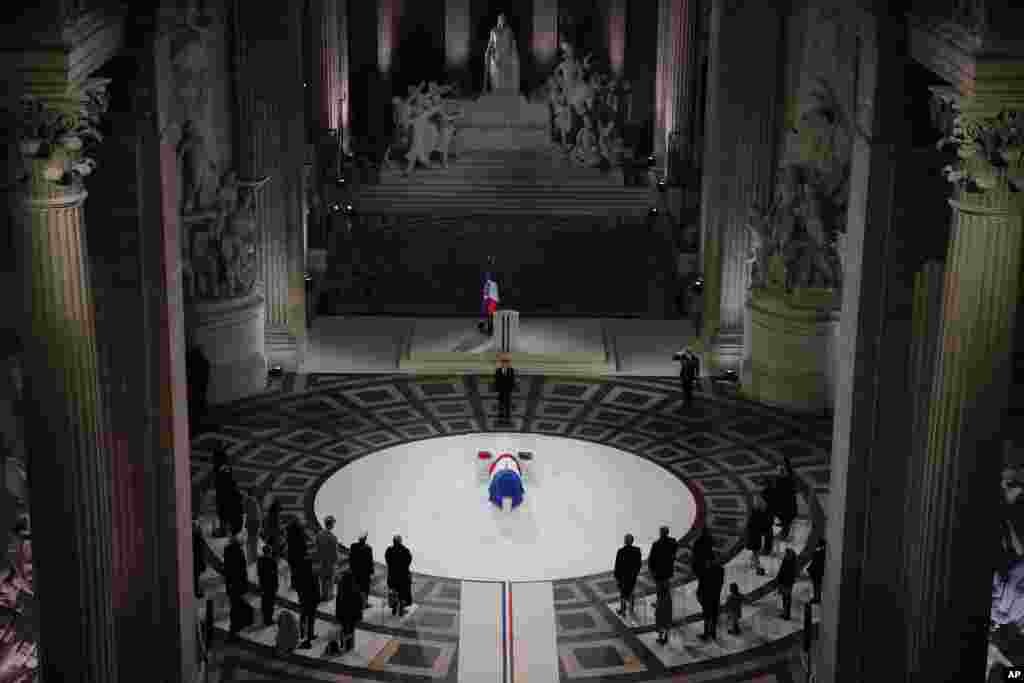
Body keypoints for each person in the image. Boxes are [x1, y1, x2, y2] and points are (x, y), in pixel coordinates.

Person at [648, 526, 679, 644]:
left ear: (661, 533)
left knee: (660, 589)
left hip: (659, 574)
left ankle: (660, 602)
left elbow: (651, 560)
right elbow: (674, 550)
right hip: (667, 573)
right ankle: (661, 601)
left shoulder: (656, 544)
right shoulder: (672, 542)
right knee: (665, 589)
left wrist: (652, 571)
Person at [484, 14, 520, 94]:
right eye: (500, 19)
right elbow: (490, 43)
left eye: (503, 19)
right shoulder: (493, 31)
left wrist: (514, 55)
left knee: (505, 79)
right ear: (498, 20)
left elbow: (513, 43)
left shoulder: (509, 31)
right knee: (496, 78)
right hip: (496, 56)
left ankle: (506, 94)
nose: (502, 21)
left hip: (507, 57)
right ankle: (496, 94)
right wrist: (487, 51)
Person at [224, 533, 251, 636]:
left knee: (234, 605)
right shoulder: (239, 552)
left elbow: (227, 569)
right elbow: (242, 570)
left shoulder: (227, 551)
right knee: (237, 606)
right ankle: (235, 628)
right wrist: (245, 585)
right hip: (238, 584)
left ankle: (235, 626)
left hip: (231, 583)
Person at [214, 450, 243, 537]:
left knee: (224, 473)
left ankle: (221, 455)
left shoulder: (235, 523)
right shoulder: (234, 522)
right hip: (226, 495)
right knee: (222, 473)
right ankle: (220, 455)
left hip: (227, 494)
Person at [335, 570, 364, 652]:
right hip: (352, 615)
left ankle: (343, 644)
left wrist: (337, 614)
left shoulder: (341, 589)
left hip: (343, 614)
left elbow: (338, 602)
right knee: (351, 630)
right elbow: (359, 603)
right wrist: (360, 615)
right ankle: (350, 646)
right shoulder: (356, 588)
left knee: (343, 629)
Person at [385, 535, 413, 616]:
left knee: (393, 591)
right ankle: (401, 609)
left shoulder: (389, 550)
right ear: (400, 542)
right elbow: (408, 561)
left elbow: (387, 560)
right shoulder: (405, 550)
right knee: (403, 593)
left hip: (392, 576)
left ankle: (394, 607)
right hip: (403, 577)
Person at [614, 534, 642, 616]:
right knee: (631, 592)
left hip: (623, 577)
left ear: (625, 541)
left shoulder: (621, 551)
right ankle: (631, 609)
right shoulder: (637, 550)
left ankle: (623, 610)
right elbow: (638, 564)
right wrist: (635, 573)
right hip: (632, 576)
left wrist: (617, 577)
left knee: (622, 594)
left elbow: (617, 565)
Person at [697, 558, 725, 641]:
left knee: (707, 616)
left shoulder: (705, 572)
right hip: (715, 596)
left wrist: (699, 596)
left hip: (706, 597)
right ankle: (713, 633)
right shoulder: (720, 570)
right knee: (714, 615)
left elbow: (701, 586)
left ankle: (706, 634)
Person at [296, 558, 320, 648]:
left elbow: (298, 587)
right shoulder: (314, 575)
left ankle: (302, 633)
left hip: (303, 599)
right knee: (311, 619)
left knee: (303, 617)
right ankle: (310, 635)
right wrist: (318, 599)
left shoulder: (300, 574)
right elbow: (317, 589)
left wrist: (300, 597)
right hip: (312, 600)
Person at [746, 493, 772, 575]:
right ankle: (756, 565)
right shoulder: (762, 511)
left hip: (754, 534)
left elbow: (751, 523)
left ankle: (756, 564)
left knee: (755, 551)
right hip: (755, 534)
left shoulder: (756, 511)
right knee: (755, 551)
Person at [315, 516, 340, 601]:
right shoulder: (333, 537)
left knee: (323, 579)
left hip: (322, 561)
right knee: (330, 580)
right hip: (330, 562)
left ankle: (323, 594)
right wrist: (336, 562)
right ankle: (328, 596)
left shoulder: (319, 534)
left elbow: (317, 547)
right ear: (332, 524)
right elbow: (335, 552)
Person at [349, 532, 375, 608]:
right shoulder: (368, 548)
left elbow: (351, 558)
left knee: (355, 587)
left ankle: (354, 602)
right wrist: (371, 572)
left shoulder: (353, 546)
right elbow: (370, 562)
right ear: (365, 539)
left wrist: (351, 568)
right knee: (365, 589)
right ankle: (364, 604)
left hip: (355, 571)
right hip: (364, 573)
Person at [257, 543, 279, 627]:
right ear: (270, 551)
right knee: (270, 602)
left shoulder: (260, 560)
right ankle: (269, 619)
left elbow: (259, 573)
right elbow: (275, 575)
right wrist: (276, 585)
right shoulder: (272, 561)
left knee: (265, 601)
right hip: (271, 584)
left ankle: (265, 618)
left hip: (263, 583)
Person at [286, 518, 309, 589]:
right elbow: (304, 545)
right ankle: (298, 584)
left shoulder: (289, 532)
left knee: (293, 570)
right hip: (299, 555)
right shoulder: (300, 534)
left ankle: (293, 584)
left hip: (291, 554)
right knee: (299, 571)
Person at [776, 548, 798, 620]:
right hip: (787, 583)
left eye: (786, 553)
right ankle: (786, 613)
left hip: (786, 583)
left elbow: (782, 571)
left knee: (786, 598)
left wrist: (779, 580)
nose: (785, 554)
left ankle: (786, 614)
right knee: (786, 598)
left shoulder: (788, 562)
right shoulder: (792, 562)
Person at [243, 489, 262, 564]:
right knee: (254, 541)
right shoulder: (253, 501)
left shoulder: (247, 501)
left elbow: (246, 511)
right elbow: (257, 515)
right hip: (254, 523)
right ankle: (253, 557)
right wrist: (260, 525)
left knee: (251, 540)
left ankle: (250, 556)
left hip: (250, 523)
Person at [494, 356, 516, 421]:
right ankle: (500, 416)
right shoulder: (498, 370)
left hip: (508, 391)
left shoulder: (511, 370)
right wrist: (497, 388)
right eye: (503, 363)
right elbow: (496, 379)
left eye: (506, 363)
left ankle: (507, 416)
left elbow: (512, 379)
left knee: (507, 404)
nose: (505, 364)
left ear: (508, 364)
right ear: (502, 364)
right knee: (501, 404)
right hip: (501, 391)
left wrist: (511, 388)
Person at [806, 538, 825, 604]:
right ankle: (817, 597)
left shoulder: (818, 552)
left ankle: (817, 598)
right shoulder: (824, 553)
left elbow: (814, 562)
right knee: (817, 586)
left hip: (816, 573)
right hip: (819, 573)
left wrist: (809, 569)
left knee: (816, 586)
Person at [192, 519, 206, 599]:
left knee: (196, 575)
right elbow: (201, 549)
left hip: (196, 558)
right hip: (196, 558)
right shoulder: (198, 536)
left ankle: (196, 590)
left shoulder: (197, 535)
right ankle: (196, 590)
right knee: (196, 575)